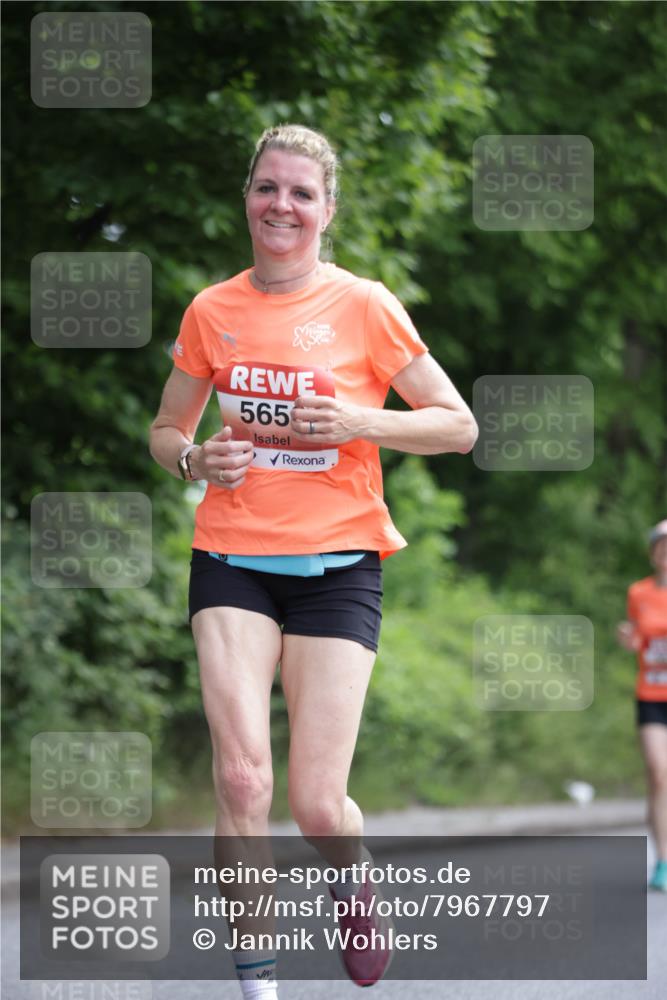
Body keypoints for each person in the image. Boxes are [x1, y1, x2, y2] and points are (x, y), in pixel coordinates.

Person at [150, 123, 478, 996]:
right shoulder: (211, 310)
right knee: (240, 776)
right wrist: (191, 458)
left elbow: (457, 424)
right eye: (267, 187)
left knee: (316, 805)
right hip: (232, 554)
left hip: (339, 564)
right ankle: (258, 979)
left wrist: (361, 422)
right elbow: (166, 428)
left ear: (326, 210)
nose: (281, 205)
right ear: (247, 197)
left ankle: (351, 871)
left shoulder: (365, 305)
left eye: (301, 192)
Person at [616, 519, 667, 892]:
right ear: (653, 553)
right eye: (661, 545)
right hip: (651, 694)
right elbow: (636, 636)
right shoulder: (639, 592)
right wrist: (628, 639)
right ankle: (663, 861)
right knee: (657, 773)